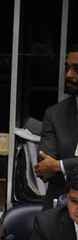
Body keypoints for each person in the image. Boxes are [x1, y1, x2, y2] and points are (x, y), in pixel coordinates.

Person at [36, 47, 78, 209]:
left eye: (76, 69)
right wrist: (52, 167)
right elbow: (45, 164)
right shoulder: (55, 114)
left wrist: (59, 165)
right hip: (58, 208)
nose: (69, 75)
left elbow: (53, 164)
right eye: (68, 68)